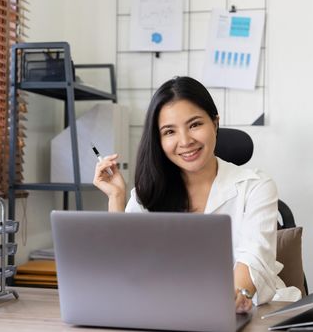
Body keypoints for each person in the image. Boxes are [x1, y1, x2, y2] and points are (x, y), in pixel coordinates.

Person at [93, 76, 298, 313]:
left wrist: (228, 300)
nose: (185, 141)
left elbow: (252, 262)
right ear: (158, 140)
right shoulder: (147, 193)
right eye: (169, 131)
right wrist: (116, 197)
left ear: (215, 123)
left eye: (194, 125)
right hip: (166, 310)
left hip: (247, 311)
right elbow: (121, 269)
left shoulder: (255, 186)